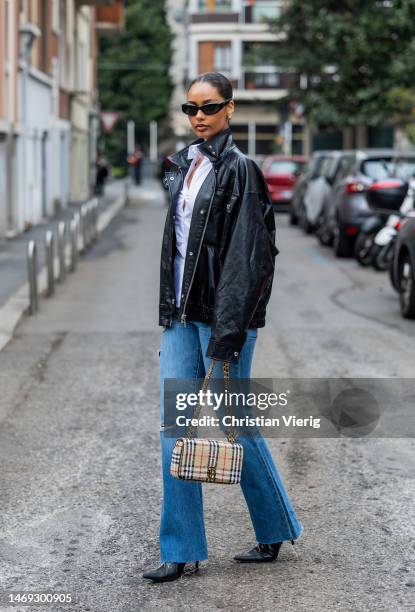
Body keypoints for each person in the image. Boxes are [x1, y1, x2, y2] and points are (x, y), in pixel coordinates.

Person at [142, 72, 303, 583]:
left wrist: (229, 333)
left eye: (209, 107)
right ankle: (181, 549)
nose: (199, 117)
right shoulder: (181, 166)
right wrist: (169, 311)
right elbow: (179, 251)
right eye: (190, 108)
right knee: (175, 429)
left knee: (236, 425)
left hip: (225, 321)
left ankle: (274, 527)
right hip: (182, 318)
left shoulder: (242, 170)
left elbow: (249, 259)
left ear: (230, 109)